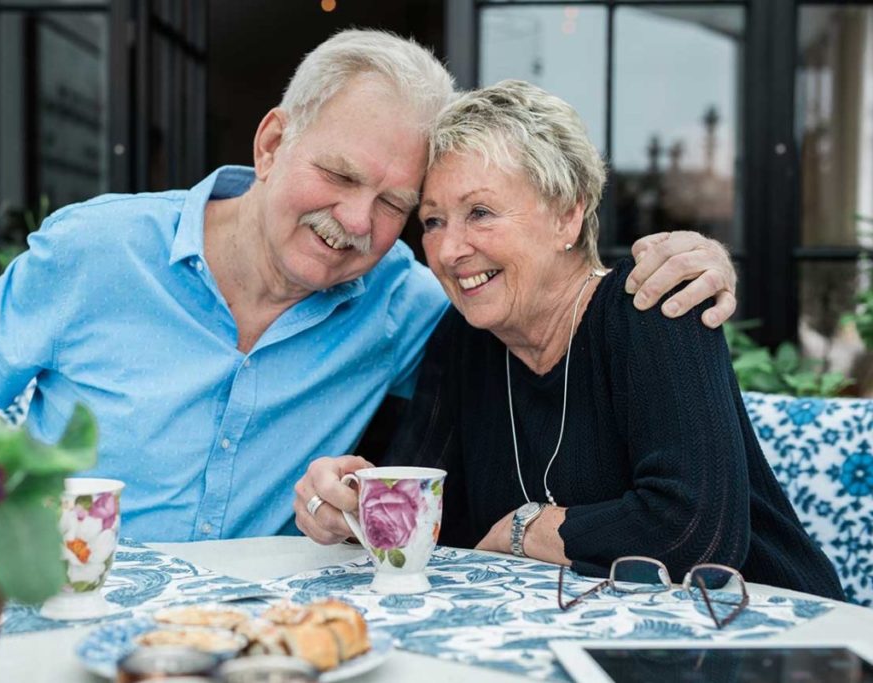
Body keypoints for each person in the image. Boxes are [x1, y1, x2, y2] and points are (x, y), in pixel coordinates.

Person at [0, 31, 738, 543]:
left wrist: (694, 258)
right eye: (337, 174)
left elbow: (542, 299)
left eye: (394, 205)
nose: (354, 220)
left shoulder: (411, 304)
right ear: (272, 143)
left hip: (259, 636)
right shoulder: (98, 249)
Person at [294, 80, 844, 600]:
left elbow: (691, 534)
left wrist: (525, 528)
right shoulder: (464, 337)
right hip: (592, 636)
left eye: (480, 212)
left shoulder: (651, 304)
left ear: (568, 214)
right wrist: (345, 504)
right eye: (433, 221)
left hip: (766, 631)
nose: (448, 250)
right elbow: (426, 518)